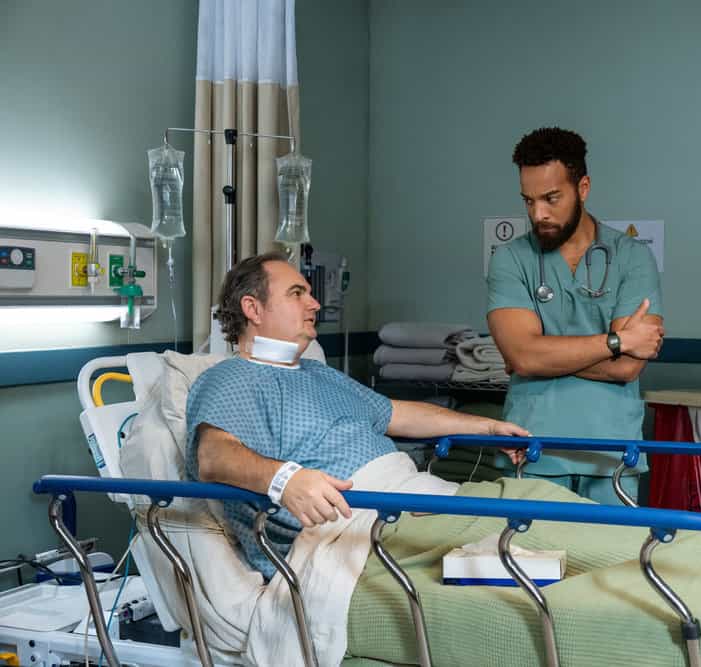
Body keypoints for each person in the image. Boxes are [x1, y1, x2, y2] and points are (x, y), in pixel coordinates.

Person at [185, 252, 527, 577]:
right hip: (359, 524)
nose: (315, 303)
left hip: (411, 498)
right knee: (539, 533)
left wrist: (487, 426)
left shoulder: (319, 373)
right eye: (297, 293)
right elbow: (213, 456)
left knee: (537, 504)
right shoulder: (232, 377)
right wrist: (285, 479)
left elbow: (397, 413)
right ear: (253, 308)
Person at [487, 127, 664, 505]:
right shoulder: (510, 259)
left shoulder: (632, 257)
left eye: (551, 198)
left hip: (610, 455)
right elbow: (524, 356)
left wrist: (538, 356)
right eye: (529, 201)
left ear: (582, 187)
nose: (539, 213)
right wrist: (615, 342)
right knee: (526, 563)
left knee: (613, 562)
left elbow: (627, 368)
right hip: (532, 451)